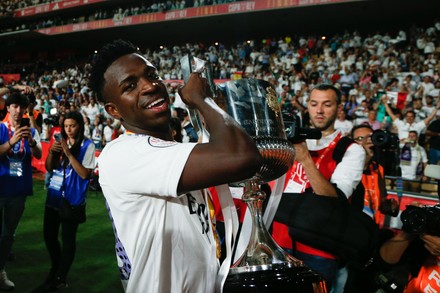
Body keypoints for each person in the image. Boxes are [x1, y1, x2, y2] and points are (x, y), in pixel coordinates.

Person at [88, 39, 262, 292]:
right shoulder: (125, 153)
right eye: (130, 86)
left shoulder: (171, 152)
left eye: (152, 75)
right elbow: (242, 157)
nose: (150, 86)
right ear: (114, 111)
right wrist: (201, 99)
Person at [272, 84, 365, 290]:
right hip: (279, 241)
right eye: (314, 104)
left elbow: (335, 197)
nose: (319, 110)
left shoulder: (351, 150)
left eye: (327, 104)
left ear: (338, 108)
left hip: (318, 249)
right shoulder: (288, 140)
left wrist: (305, 160)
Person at [32, 111, 95, 292]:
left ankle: (60, 277)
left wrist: (68, 153)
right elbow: (50, 167)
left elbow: (84, 174)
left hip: (72, 199)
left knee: (68, 240)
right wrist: (52, 152)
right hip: (54, 195)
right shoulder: (60, 141)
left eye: (72, 126)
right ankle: (57, 268)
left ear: (80, 126)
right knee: (49, 236)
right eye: (66, 126)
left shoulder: (88, 145)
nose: (68, 130)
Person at [0, 91, 42, 291]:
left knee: (8, 234)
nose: (17, 110)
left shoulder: (31, 132)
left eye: (21, 107)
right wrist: (11, 142)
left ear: (25, 110)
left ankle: (1, 271)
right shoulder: (0, 128)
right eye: (14, 106)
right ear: (7, 108)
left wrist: (30, 142)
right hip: (0, 188)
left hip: (18, 190)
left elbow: (39, 154)